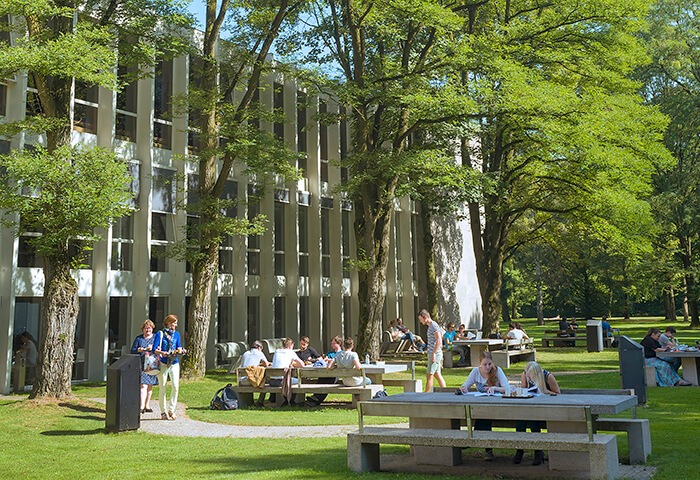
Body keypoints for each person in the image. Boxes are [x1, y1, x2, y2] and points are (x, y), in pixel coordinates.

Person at [460, 351, 511, 461]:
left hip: (497, 405)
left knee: (484, 416)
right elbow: (465, 385)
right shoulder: (475, 372)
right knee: (482, 415)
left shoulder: (497, 371)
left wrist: (495, 388)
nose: (487, 367)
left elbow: (508, 389)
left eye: (489, 364)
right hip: (481, 406)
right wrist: (464, 388)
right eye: (485, 364)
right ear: (480, 364)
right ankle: (486, 449)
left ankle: (472, 439)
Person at [512, 362, 561, 466]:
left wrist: (545, 391)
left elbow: (558, 394)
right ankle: (519, 449)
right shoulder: (524, 375)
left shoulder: (547, 376)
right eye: (527, 375)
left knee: (533, 421)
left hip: (546, 409)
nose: (529, 378)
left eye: (531, 376)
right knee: (520, 419)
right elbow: (524, 391)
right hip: (529, 408)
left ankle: (538, 450)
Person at [153, 314, 187, 420]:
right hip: (163, 363)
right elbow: (154, 349)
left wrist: (181, 350)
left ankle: (171, 410)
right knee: (162, 387)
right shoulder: (160, 334)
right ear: (168, 323)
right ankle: (163, 412)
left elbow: (178, 346)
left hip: (174, 362)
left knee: (175, 386)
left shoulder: (177, 334)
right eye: (174, 323)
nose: (176, 325)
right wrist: (162, 352)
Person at [306, 336, 343, 407]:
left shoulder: (342, 353)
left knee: (328, 381)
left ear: (339, 343)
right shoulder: (330, 353)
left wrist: (329, 360)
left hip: (336, 374)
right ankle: (315, 398)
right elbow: (324, 360)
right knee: (321, 379)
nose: (332, 345)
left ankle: (316, 399)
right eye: (331, 343)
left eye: (334, 343)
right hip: (326, 372)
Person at [130, 320, 159, 414]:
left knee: (150, 386)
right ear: (143, 329)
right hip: (142, 365)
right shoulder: (139, 338)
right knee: (143, 385)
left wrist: (153, 349)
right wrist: (139, 350)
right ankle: (141, 406)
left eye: (149, 328)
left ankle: (147, 405)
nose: (147, 330)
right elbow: (133, 350)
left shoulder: (155, 337)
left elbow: (159, 348)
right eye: (146, 328)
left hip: (153, 364)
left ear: (152, 328)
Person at [419, 310, 446, 391]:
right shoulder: (431, 326)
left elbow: (439, 340)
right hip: (433, 353)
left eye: (421, 319)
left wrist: (434, 353)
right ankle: (446, 392)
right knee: (437, 374)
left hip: (435, 353)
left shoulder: (433, 325)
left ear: (425, 317)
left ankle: (426, 395)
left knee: (429, 375)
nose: (420, 322)